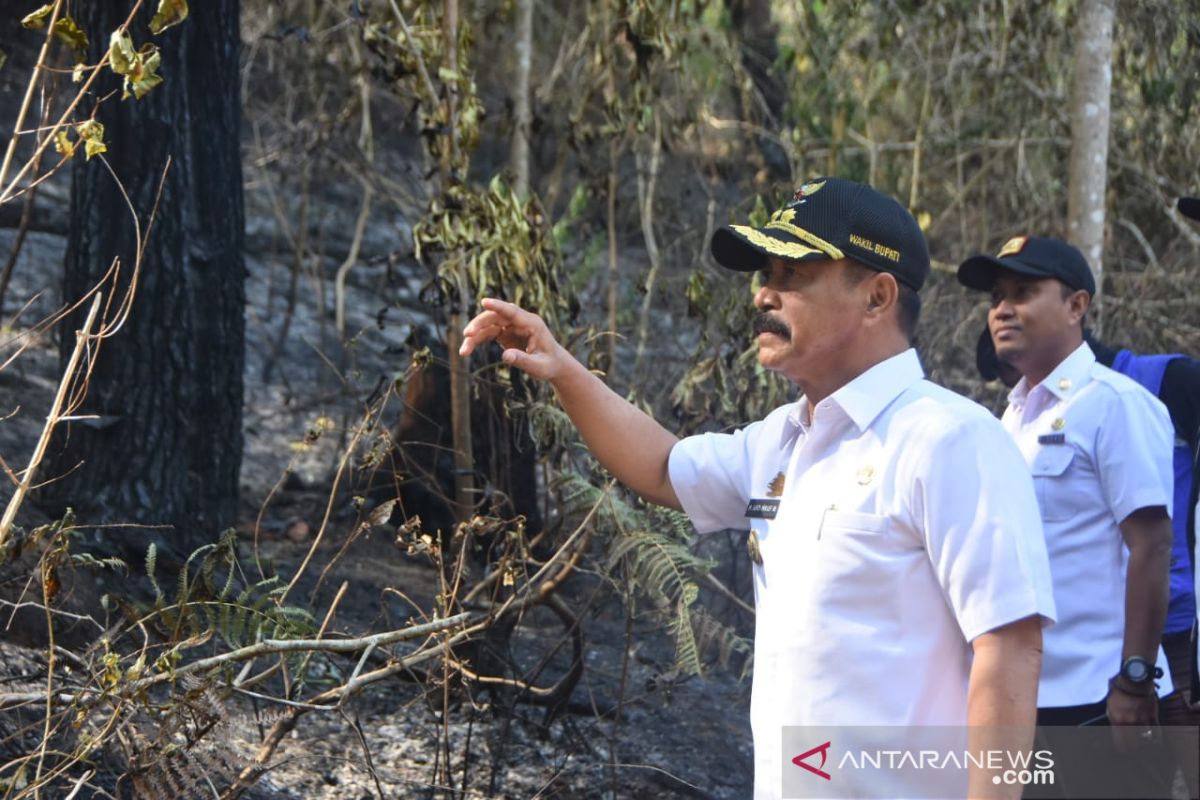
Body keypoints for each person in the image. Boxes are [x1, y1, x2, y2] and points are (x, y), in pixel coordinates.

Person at [461, 177, 1056, 799]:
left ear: (877, 297)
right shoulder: (783, 438)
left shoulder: (951, 440)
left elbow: (1009, 649)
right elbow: (664, 467)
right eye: (764, 273)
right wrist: (562, 368)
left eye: (791, 273)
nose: (763, 294)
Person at [958, 235, 1176, 798]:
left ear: (1077, 305)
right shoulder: (1009, 418)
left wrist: (1134, 678)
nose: (1003, 309)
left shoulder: (1114, 403)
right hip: (1023, 700)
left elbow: (1151, 544)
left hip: (1101, 703)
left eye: (1024, 292)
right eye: (998, 295)